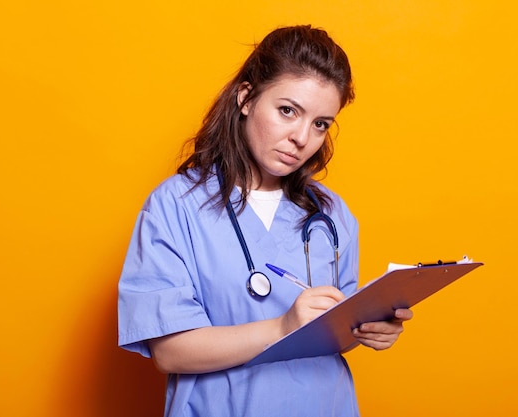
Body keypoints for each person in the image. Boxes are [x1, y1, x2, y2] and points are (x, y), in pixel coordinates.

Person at [118, 25, 413, 417]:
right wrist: (282, 326)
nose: (302, 138)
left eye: (320, 123)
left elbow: (333, 331)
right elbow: (169, 352)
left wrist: (369, 328)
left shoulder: (332, 214)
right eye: (288, 111)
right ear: (246, 98)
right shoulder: (175, 206)